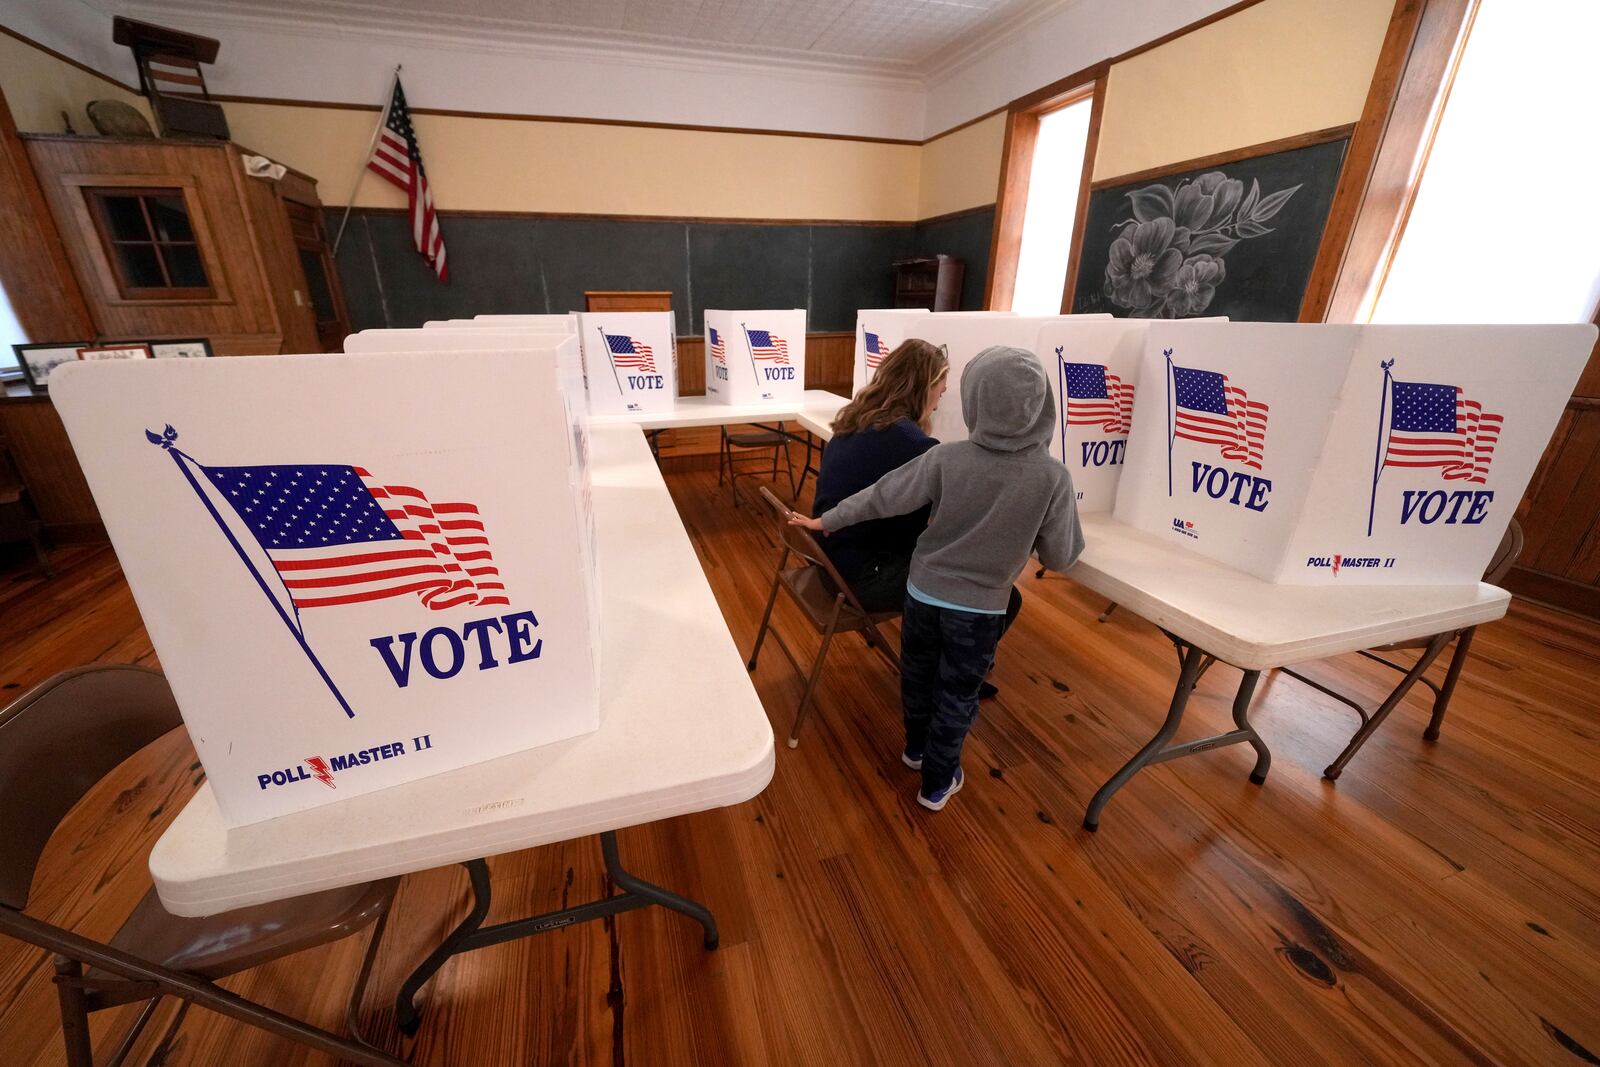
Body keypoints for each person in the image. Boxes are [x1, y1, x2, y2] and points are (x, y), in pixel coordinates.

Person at [791, 346, 1083, 811]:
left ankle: (914, 750)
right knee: (957, 695)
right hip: (979, 608)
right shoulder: (1053, 478)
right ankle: (936, 785)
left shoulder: (945, 458)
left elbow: (881, 497)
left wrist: (827, 521)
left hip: (921, 593)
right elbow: (1061, 556)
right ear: (1043, 405)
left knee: (918, 676)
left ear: (972, 398)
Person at [812, 339, 948, 614]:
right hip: (863, 579)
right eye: (940, 393)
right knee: (999, 593)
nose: (937, 405)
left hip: (825, 560)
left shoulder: (853, 419)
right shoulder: (915, 446)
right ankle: (936, 655)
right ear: (924, 388)